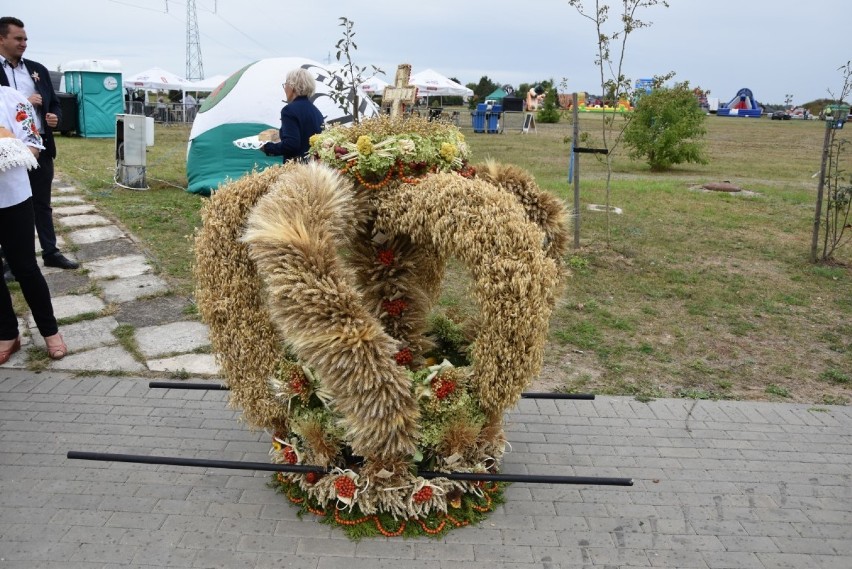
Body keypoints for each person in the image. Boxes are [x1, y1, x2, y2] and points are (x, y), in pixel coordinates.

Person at [0, 17, 79, 275]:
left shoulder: (37, 69)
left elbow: (53, 102)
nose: (24, 43)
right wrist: (23, 100)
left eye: (25, 39)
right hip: (8, 152)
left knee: (42, 203)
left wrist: (54, 117)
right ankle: (13, 261)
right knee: (11, 207)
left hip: (40, 147)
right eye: (18, 39)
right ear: (2, 39)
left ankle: (50, 251)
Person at [0, 86, 66, 364]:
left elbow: (33, 143)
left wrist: (8, 152)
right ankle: (7, 334)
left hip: (12, 195)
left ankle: (50, 333)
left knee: (25, 266)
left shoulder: (11, 98)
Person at [261, 68, 324, 163]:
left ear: (292, 86)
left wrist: (267, 147)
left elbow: (291, 144)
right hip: (314, 168)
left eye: (286, 84)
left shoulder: (289, 110)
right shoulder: (316, 112)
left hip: (296, 170)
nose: (285, 88)